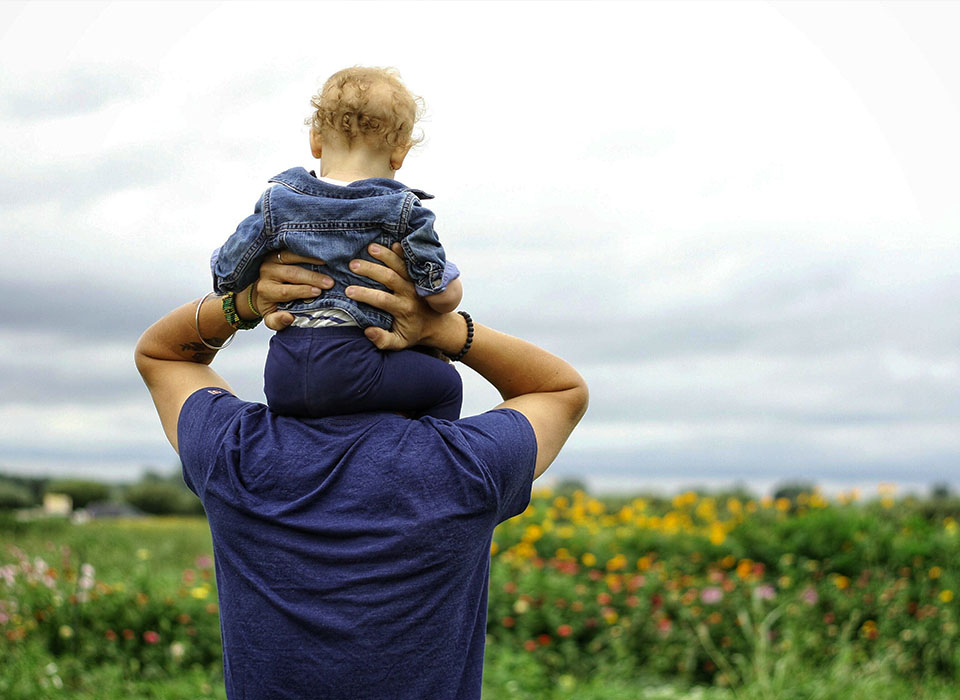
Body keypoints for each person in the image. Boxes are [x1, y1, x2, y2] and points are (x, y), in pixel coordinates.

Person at [135, 244, 588, 699]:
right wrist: (446, 329)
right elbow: (560, 390)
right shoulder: (465, 466)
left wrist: (246, 302)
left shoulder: (235, 452)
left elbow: (164, 355)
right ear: (425, 365)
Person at [211, 66, 464, 420]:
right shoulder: (403, 210)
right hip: (357, 366)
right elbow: (440, 295)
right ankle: (429, 462)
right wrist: (448, 284)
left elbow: (228, 273)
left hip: (284, 372)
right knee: (445, 384)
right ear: (400, 154)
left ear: (315, 140)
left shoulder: (278, 202)